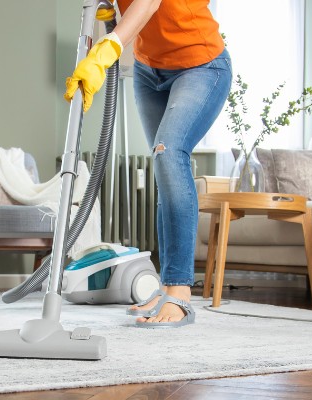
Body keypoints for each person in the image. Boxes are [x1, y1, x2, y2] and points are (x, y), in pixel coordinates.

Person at [65, 0, 231, 327]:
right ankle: (166, 287)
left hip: (201, 65)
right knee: (162, 168)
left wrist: (110, 45)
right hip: (147, 69)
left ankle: (180, 292)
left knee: (169, 154)